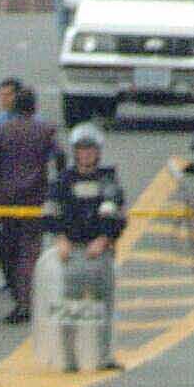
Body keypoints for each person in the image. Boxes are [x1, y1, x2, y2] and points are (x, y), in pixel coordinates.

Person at [41, 122, 125, 371]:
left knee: (104, 306)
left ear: (98, 151)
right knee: (70, 307)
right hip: (72, 250)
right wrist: (60, 239)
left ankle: (104, 356)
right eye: (81, 149)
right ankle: (69, 358)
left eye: (91, 149)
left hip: (99, 250)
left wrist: (104, 239)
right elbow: (50, 213)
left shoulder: (108, 180)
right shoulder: (63, 180)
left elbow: (116, 214)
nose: (86, 154)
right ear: (74, 152)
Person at [0, 84, 57, 325]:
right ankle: (27, 300)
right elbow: (61, 157)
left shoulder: (1, 130)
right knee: (29, 249)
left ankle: (20, 299)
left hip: (5, 200)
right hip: (35, 198)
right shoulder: (46, 129)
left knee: (10, 249)